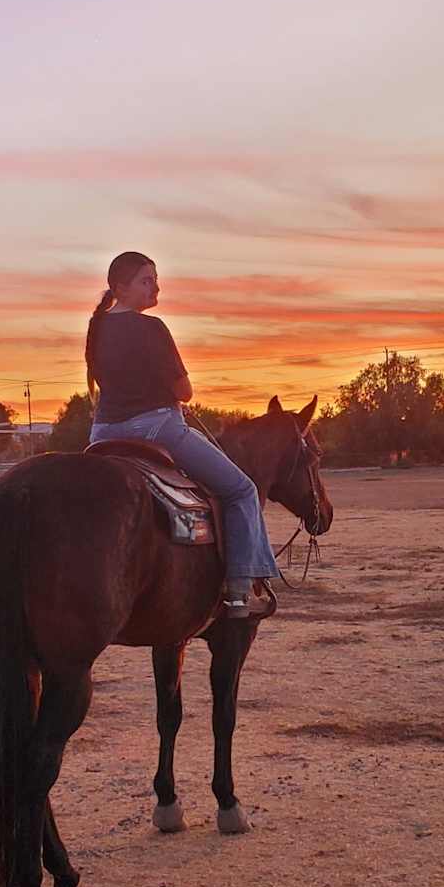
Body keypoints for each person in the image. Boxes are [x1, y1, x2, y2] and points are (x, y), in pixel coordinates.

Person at [85, 251, 280, 618]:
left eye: (156, 279)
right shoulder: (153, 327)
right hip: (158, 429)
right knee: (241, 490)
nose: (155, 287)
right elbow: (184, 391)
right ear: (119, 287)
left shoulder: (97, 328)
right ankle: (240, 591)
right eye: (146, 280)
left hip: (104, 432)